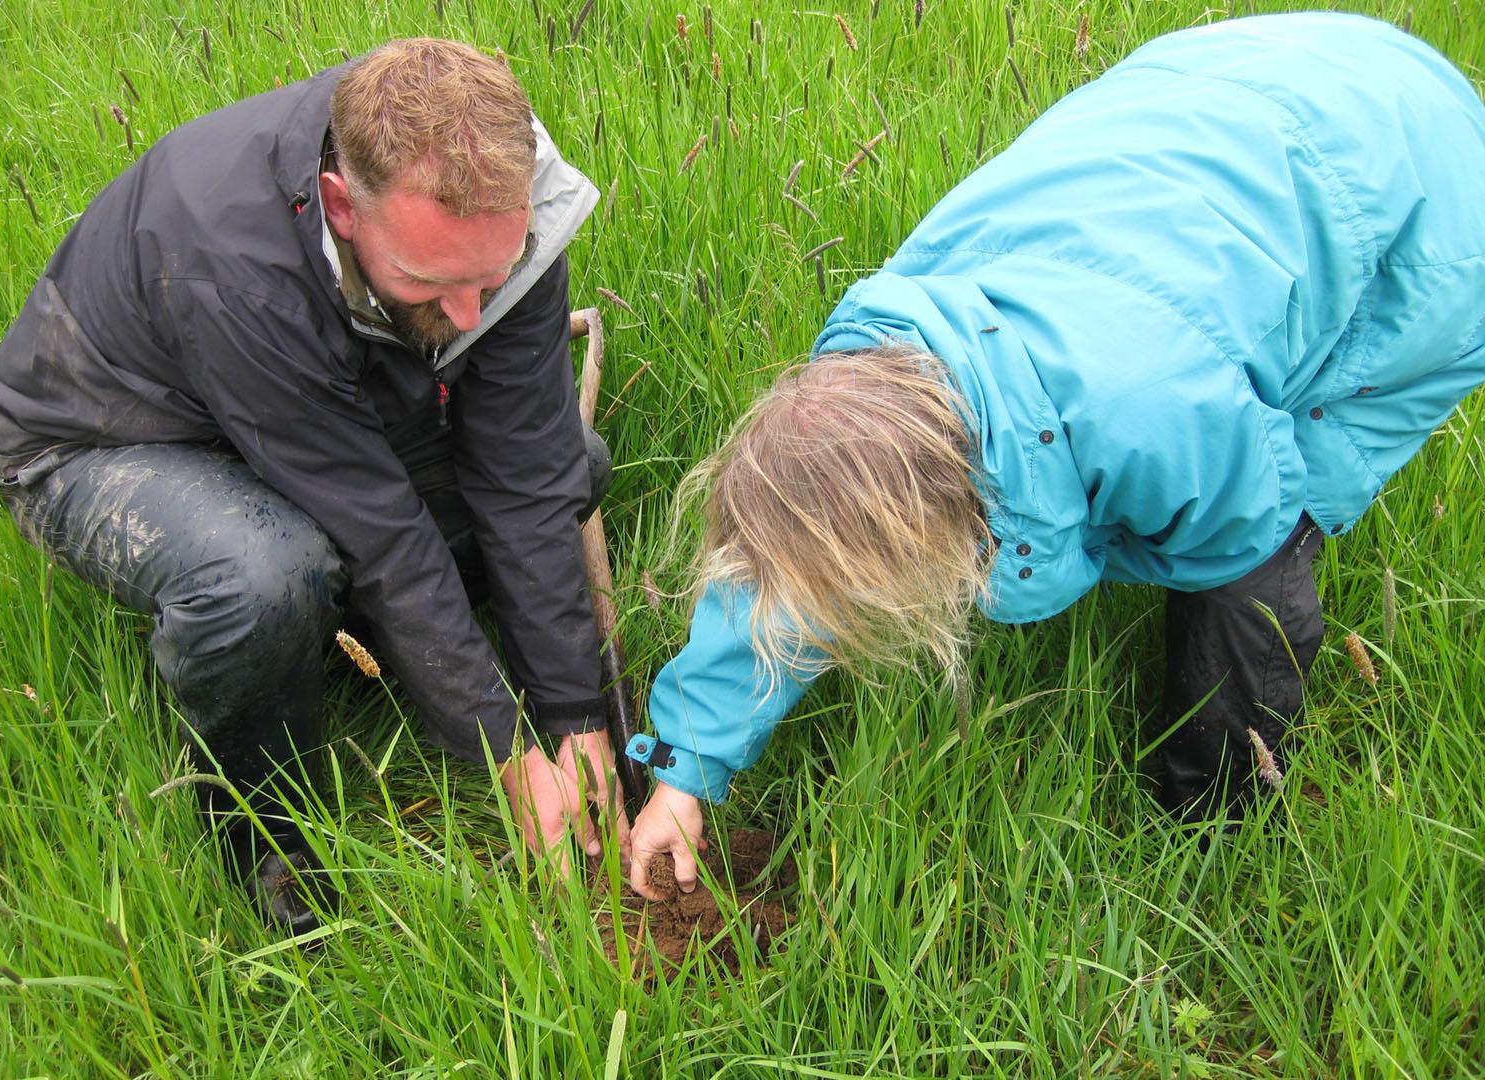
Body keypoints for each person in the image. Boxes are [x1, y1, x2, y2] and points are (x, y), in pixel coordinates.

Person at [625, 12, 1485, 898]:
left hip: (1433, 201)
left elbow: (1241, 536)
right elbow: (800, 559)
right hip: (1229, 79)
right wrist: (684, 773)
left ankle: (1213, 837)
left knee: (1258, 556)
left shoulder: (1159, 414)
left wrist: (1096, 556)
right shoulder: (868, 371)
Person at [0, 39, 628, 930]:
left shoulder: (499, 204)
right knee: (263, 577)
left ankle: (330, 640)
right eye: (435, 283)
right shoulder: (232, 265)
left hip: (302, 406)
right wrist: (506, 750)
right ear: (342, 208)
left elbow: (523, 472)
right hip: (105, 443)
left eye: (495, 275)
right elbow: (387, 536)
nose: (474, 313)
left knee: (573, 467)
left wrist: (569, 715)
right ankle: (272, 860)